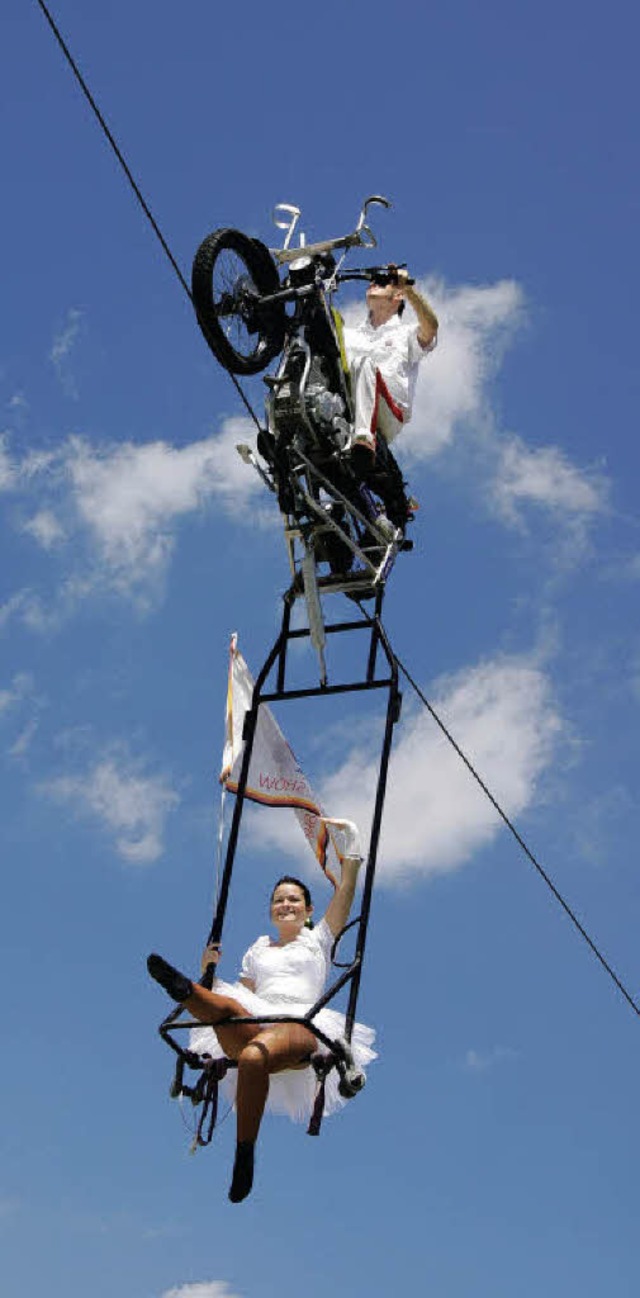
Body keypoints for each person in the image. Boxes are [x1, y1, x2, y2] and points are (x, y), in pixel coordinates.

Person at [147, 818, 375, 1203]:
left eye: (293, 899)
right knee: (227, 1008)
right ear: (271, 910)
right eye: (278, 899)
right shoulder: (258, 950)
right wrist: (208, 971)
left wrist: (351, 851)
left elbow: (347, 893)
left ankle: (244, 1153)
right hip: (256, 1014)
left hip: (301, 1022)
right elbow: (241, 995)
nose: (284, 904)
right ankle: (185, 988)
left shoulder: (318, 939)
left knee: (255, 1055)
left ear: (307, 910)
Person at [343, 265, 439, 532]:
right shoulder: (351, 334)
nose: (373, 283)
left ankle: (365, 439)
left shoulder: (405, 332)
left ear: (397, 296)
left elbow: (431, 328)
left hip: (387, 413)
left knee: (363, 364)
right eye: (372, 281)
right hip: (351, 405)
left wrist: (408, 288)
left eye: (383, 282)